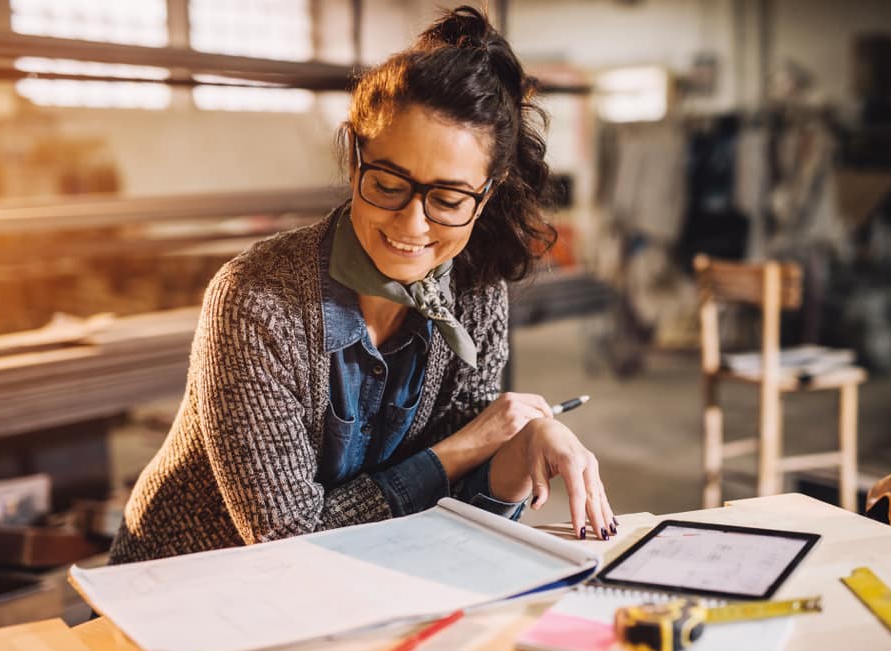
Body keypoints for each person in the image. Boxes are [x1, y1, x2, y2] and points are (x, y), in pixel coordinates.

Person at [108, 5, 615, 566]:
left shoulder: (475, 295)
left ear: (486, 195)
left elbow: (455, 510)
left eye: (447, 200)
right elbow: (288, 541)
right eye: (389, 183)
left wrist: (520, 456)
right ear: (355, 160)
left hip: (356, 580)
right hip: (184, 587)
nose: (412, 224)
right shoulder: (256, 302)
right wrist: (462, 449)